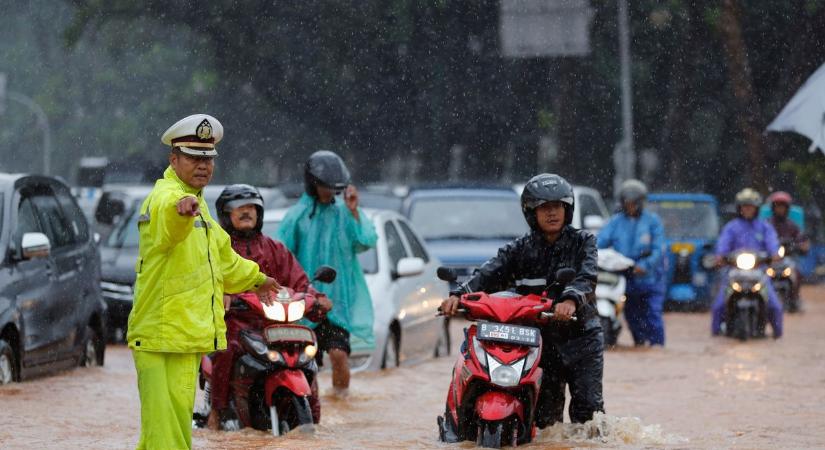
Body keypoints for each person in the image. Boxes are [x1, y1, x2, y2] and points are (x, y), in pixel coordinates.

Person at [127, 114, 281, 450]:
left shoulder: (204, 211)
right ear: (174, 159)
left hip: (187, 338)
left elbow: (225, 262)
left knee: (174, 433)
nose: (203, 166)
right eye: (194, 157)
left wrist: (260, 280)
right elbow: (168, 224)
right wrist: (180, 212)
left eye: (208, 159)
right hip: (159, 337)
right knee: (164, 436)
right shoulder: (166, 196)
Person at [441, 173, 603, 427]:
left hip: (581, 339)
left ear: (567, 209)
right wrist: (458, 295)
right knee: (545, 420)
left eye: (558, 206)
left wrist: (570, 301)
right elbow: (489, 273)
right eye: (544, 208)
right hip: (540, 342)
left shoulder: (584, 242)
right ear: (531, 213)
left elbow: (586, 276)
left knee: (588, 415)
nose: (552, 213)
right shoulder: (519, 248)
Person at [206, 184, 332, 430]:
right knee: (226, 349)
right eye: (239, 208)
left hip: (276, 324)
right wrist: (221, 296)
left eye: (251, 207)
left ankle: (314, 415)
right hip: (236, 322)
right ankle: (217, 411)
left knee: (308, 353)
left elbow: (300, 282)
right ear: (225, 213)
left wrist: (317, 297)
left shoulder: (275, 248)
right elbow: (206, 278)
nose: (246, 213)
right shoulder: (218, 247)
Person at [277, 150, 377, 398]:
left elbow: (366, 240)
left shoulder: (344, 213)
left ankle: (341, 401)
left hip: (337, 304)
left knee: (339, 354)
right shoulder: (296, 217)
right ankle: (308, 405)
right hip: (303, 300)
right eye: (325, 186)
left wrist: (354, 211)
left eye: (334, 188)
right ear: (312, 184)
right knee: (303, 362)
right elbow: (281, 256)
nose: (329, 192)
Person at [597, 179, 666, 346]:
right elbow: (600, 242)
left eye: (634, 203)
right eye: (627, 202)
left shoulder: (652, 221)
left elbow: (659, 249)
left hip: (650, 278)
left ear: (641, 202)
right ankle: (640, 344)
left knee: (652, 313)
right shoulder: (615, 222)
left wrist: (645, 266)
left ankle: (657, 346)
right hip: (626, 276)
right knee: (632, 315)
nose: (630, 206)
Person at [711, 188, 783, 338]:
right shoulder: (731, 227)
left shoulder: (765, 227)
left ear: (756, 208)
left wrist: (775, 254)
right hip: (734, 272)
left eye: (750, 206)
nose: (748, 209)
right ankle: (715, 333)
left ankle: (778, 334)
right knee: (718, 306)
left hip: (759, 272)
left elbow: (773, 245)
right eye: (745, 206)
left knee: (775, 306)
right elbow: (723, 245)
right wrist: (720, 256)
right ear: (739, 208)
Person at [767, 191, 809, 309]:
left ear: (787, 208)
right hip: (770, 260)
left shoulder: (792, 226)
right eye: (778, 206)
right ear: (773, 208)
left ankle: (795, 297)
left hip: (788, 259)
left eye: (782, 207)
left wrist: (802, 246)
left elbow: (801, 239)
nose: (780, 209)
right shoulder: (767, 225)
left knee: (797, 272)